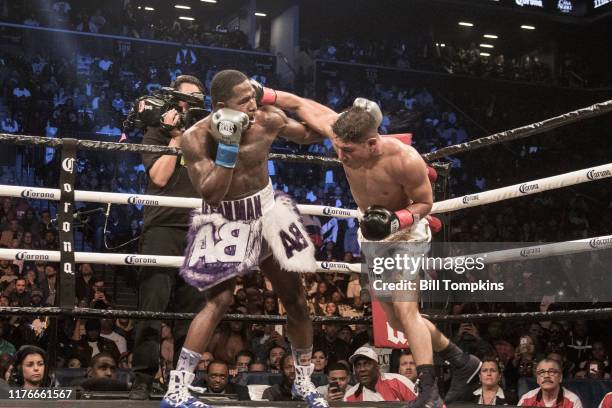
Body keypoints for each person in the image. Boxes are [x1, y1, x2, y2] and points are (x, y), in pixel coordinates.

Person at [269, 85, 482, 406]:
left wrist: (396, 220)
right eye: (338, 148)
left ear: (372, 143)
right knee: (396, 320)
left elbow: (425, 203)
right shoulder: (343, 132)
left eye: (348, 151)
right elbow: (299, 103)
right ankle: (463, 362)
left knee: (407, 311)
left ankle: (429, 390)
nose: (340, 156)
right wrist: (264, 94)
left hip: (407, 233)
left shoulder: (406, 160)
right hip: (372, 234)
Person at [161, 69, 327, 408]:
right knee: (218, 302)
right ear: (221, 106)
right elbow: (212, 192)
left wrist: (284, 99)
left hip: (268, 212)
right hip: (225, 218)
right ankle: (177, 390)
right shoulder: (196, 137)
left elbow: (313, 134)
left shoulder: (267, 118)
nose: (252, 105)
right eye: (243, 101)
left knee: (295, 300)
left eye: (252, 96)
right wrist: (228, 146)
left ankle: (304, 383)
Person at [131, 75, 208, 400]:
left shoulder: (209, 136)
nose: (191, 104)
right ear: (175, 101)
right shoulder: (155, 132)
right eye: (186, 98)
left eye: (197, 99)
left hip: (199, 228)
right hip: (163, 227)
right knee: (153, 306)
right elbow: (160, 177)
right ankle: (143, 379)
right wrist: (175, 140)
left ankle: (180, 381)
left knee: (190, 312)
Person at [344, 346, 416, 402]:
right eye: (358, 365)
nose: (362, 369)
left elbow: (422, 404)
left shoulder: (398, 382)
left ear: (377, 367)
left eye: (367, 364)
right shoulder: (350, 397)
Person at [518, 358, 583, 407]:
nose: (546, 376)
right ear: (537, 379)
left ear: (560, 377)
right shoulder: (526, 399)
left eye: (552, 372)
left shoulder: (573, 401)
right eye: (542, 372)